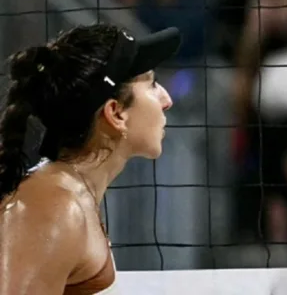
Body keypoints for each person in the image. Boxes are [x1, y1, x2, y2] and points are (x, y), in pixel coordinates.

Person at [0, 24, 179, 294]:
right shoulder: (53, 209)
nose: (167, 99)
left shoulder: (68, 195)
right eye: (152, 84)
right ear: (116, 113)